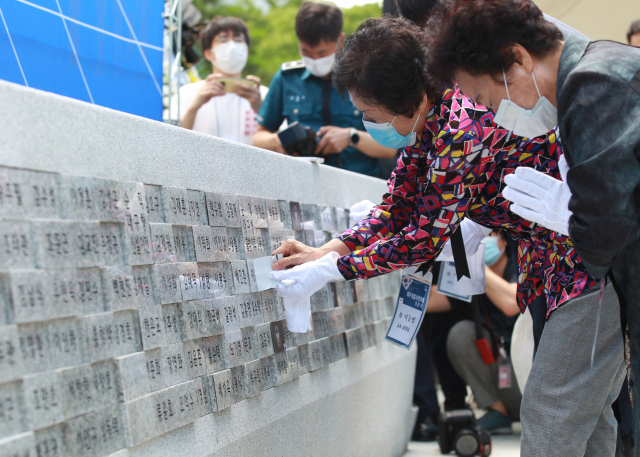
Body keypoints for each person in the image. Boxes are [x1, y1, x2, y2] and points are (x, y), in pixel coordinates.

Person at [266, 16, 617, 457]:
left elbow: (421, 238)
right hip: (549, 268)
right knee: (590, 418)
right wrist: (325, 252)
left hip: (581, 266)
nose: (363, 121)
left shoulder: (458, 130)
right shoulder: (425, 127)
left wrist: (333, 270)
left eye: (369, 113)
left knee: (552, 413)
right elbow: (395, 208)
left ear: (408, 101)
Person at [426, 0, 639, 454]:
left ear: (518, 58)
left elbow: (607, 226)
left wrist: (578, 218)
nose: (495, 112)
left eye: (488, 98)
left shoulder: (591, 85)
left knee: (550, 413)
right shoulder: (593, 70)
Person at [252, 1, 396, 177]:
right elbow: (258, 138)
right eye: (306, 51)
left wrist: (351, 138)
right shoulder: (286, 78)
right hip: (304, 184)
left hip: (358, 187)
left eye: (321, 53)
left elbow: (391, 147)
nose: (314, 59)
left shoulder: (364, 78)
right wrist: (280, 141)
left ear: (340, 41)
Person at [439, 231, 522, 434]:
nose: (480, 240)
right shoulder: (472, 273)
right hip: (504, 374)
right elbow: (439, 298)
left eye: (487, 234)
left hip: (528, 381)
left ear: (504, 241)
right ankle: (497, 410)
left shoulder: (521, 264)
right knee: (460, 334)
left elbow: (512, 303)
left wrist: (475, 263)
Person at [179, 16, 267, 144]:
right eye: (223, 39)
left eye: (238, 39)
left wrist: (261, 110)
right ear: (208, 53)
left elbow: (280, 146)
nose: (232, 46)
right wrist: (195, 107)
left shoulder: (263, 94)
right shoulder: (188, 93)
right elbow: (171, 141)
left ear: (246, 50)